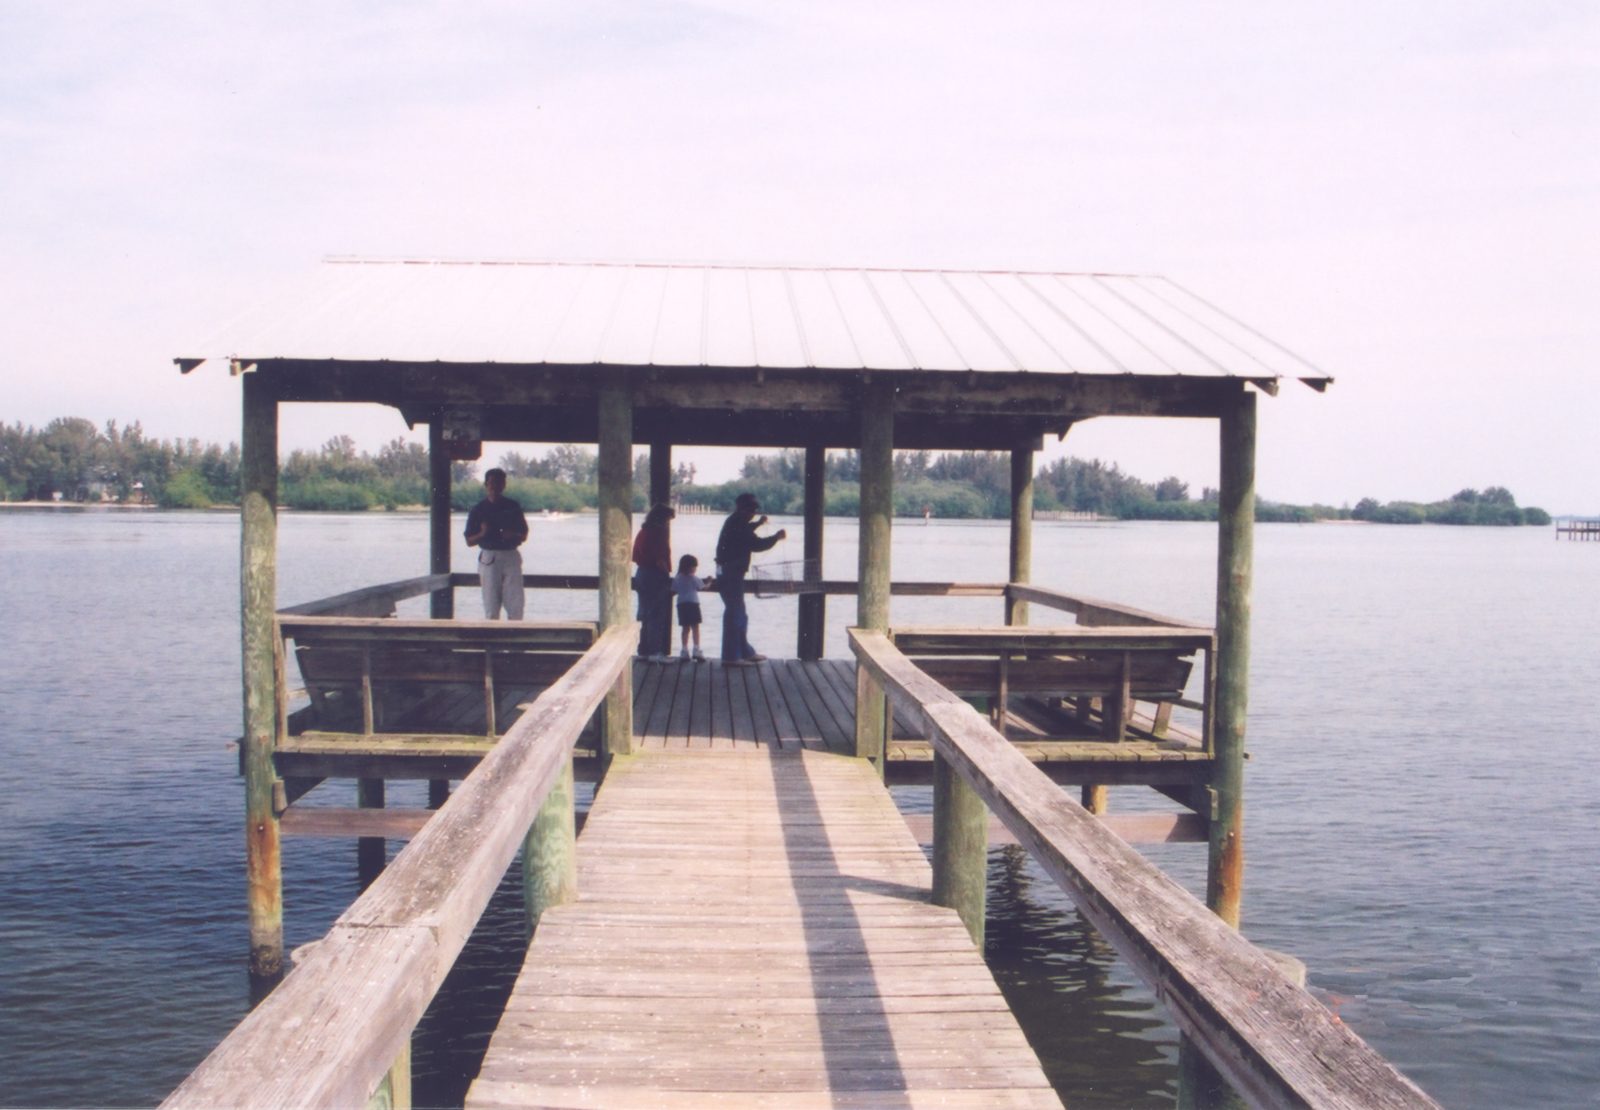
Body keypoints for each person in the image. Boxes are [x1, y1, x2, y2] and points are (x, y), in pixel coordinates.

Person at [714, 493, 786, 665]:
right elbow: (756, 545)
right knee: (735, 613)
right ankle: (731, 657)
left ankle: (744, 652)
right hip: (731, 572)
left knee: (739, 612)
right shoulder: (739, 524)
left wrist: (759, 524)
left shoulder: (734, 521)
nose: (753, 513)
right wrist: (776, 537)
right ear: (743, 509)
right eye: (751, 510)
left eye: (754, 511)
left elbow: (746, 531)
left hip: (727, 571)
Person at [464, 468, 529, 619]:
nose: (495, 486)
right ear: (486, 484)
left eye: (499, 482)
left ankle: (515, 638)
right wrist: (482, 534)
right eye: (492, 483)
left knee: (516, 604)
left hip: (511, 556)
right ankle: (492, 640)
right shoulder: (478, 510)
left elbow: (524, 534)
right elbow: (469, 541)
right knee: (491, 606)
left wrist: (511, 534)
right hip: (489, 557)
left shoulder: (513, 507)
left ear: (504, 485)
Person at [632, 503, 676, 661]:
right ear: (662, 518)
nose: (668, 523)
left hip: (641, 574)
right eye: (668, 520)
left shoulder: (643, 530)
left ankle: (643, 650)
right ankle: (655, 652)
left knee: (644, 613)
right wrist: (665, 575)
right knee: (657, 614)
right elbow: (660, 558)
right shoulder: (659, 532)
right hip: (654, 575)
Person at [672, 554, 711, 662]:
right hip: (693, 604)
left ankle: (684, 651)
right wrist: (709, 581)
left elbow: (673, 590)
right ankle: (696, 649)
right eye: (694, 567)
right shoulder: (694, 578)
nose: (695, 569)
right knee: (695, 627)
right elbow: (703, 587)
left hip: (681, 605)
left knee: (685, 628)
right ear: (689, 567)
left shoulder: (678, 578)